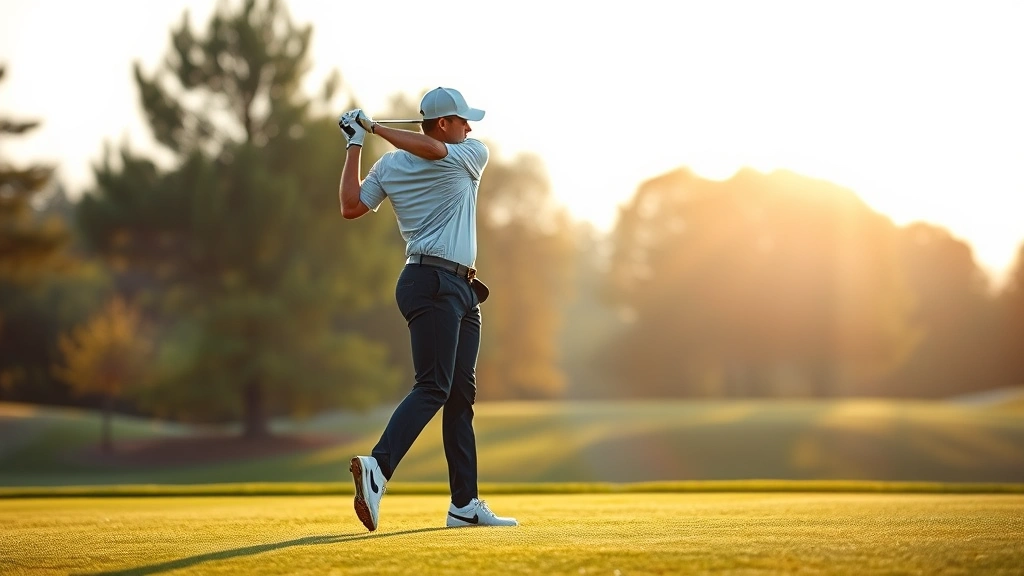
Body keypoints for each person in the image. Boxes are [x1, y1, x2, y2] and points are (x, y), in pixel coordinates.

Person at [336, 87, 517, 531]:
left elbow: (356, 202)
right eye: (462, 120)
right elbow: (351, 207)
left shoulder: (462, 153)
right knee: (434, 386)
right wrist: (362, 139)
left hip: (458, 289)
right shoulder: (458, 153)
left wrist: (361, 138)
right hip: (434, 283)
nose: (470, 128)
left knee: (459, 396)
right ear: (443, 123)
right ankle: (378, 467)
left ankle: (464, 504)